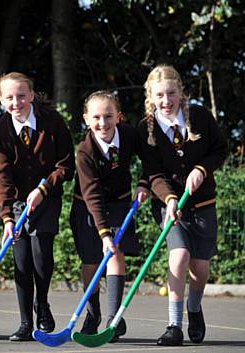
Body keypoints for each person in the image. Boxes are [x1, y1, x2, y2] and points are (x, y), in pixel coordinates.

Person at [138, 65, 228, 346]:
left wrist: (202, 168)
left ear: (181, 92)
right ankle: (174, 325)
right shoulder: (146, 128)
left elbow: (220, 149)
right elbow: (152, 173)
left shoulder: (200, 116)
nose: (166, 101)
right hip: (168, 203)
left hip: (202, 202)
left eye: (171, 93)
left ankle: (194, 308)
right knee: (179, 256)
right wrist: (169, 198)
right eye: (159, 96)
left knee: (200, 268)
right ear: (150, 97)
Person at [0, 72, 75, 341]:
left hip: (47, 199)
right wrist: (6, 217)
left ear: (31, 94)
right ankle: (25, 322)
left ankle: (43, 304)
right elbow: (2, 176)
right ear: (1, 99)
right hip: (17, 202)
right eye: (9, 97)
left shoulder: (52, 122)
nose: (16, 102)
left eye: (21, 95)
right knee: (22, 261)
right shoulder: (1, 130)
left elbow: (66, 166)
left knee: (41, 254)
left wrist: (43, 188)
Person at [69, 91, 150, 341]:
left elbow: (151, 159)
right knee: (92, 261)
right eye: (96, 117)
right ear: (86, 119)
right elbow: (92, 194)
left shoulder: (128, 135)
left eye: (108, 116)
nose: (102, 123)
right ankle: (92, 315)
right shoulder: (84, 152)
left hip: (119, 203)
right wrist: (104, 232)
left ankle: (113, 320)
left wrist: (144, 182)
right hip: (87, 206)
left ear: (119, 117)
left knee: (115, 254)